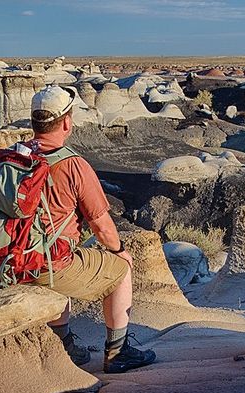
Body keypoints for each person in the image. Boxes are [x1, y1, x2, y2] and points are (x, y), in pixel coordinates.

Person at [26, 85, 155, 374]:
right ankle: (118, 352)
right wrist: (121, 251)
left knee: (59, 253)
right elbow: (101, 225)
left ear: (34, 122)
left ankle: (64, 343)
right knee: (119, 270)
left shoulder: (14, 156)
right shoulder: (72, 165)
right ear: (67, 122)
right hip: (44, 264)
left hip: (6, 261)